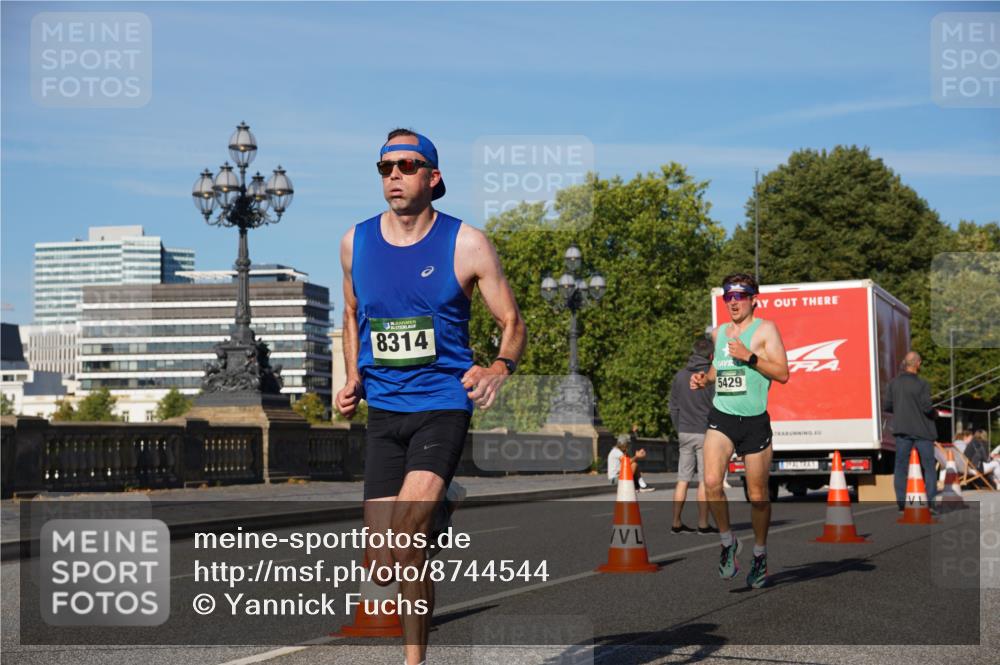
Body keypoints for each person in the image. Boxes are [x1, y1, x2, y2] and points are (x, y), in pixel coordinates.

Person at [335, 128, 526, 665]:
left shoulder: (466, 243)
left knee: (404, 531)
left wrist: (498, 368)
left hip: (441, 403)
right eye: (384, 167)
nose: (393, 175)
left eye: (406, 165)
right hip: (384, 411)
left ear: (432, 177)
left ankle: (413, 661)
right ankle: (442, 503)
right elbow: (352, 314)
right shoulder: (355, 241)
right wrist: (353, 377)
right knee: (385, 562)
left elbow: (512, 321)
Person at [691, 273, 789, 589]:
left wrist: (751, 357)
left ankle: (759, 555)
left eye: (740, 296)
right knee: (710, 482)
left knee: (758, 496)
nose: (733, 302)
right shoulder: (721, 333)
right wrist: (704, 380)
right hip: (723, 416)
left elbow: (783, 373)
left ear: (753, 299)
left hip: (755, 421)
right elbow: (719, 368)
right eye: (728, 297)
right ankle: (727, 542)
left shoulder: (766, 330)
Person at [669, 337, 717, 534]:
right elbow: (718, 406)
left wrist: (678, 428)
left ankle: (676, 522)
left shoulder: (680, 376)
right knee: (704, 481)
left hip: (685, 432)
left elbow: (673, 407)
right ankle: (703, 524)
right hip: (705, 433)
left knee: (683, 479)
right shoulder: (711, 377)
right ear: (711, 355)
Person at [883, 351, 938, 511]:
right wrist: (935, 414)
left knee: (900, 466)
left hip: (902, 430)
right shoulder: (922, 384)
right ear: (918, 363)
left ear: (904, 364)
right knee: (928, 466)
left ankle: (901, 501)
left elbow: (887, 406)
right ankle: (930, 502)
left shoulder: (893, 383)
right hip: (923, 431)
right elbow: (927, 408)